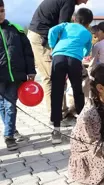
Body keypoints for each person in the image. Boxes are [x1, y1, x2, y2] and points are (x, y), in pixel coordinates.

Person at [27, 0, 88, 118]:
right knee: (51, 76)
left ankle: (62, 110)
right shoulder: (69, 3)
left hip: (45, 36)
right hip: (41, 37)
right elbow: (63, 29)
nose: (85, 3)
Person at [48, 8, 93, 144]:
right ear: (88, 23)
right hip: (74, 60)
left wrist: (53, 46)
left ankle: (56, 130)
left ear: (74, 18)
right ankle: (81, 127)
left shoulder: (66, 25)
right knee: (77, 90)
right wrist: (81, 53)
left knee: (57, 92)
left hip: (59, 57)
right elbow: (88, 49)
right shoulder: (87, 33)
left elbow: (52, 31)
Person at [0, 0, 36, 151]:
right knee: (2, 104)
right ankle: (11, 129)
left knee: (10, 105)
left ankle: (9, 136)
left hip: (15, 75)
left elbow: (27, 52)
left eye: (2, 10)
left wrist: (31, 71)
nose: (0, 13)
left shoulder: (16, 29)